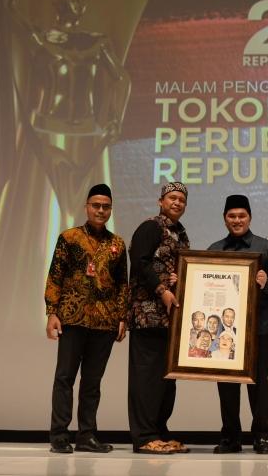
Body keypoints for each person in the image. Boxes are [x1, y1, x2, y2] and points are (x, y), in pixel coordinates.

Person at [45, 183, 128, 454]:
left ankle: (86, 435)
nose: (100, 210)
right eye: (96, 205)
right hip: (72, 317)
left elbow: (122, 285)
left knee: (92, 383)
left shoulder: (117, 244)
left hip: (104, 323)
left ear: (110, 209)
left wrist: (121, 318)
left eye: (105, 206)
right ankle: (59, 435)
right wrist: (51, 313)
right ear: (87, 207)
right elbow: (55, 275)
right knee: (65, 377)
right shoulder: (69, 238)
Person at [208, 194, 268, 455]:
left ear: (249, 217)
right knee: (226, 383)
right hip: (224, 330)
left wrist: (267, 282)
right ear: (224, 218)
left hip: (258, 328)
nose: (237, 220)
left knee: (258, 383)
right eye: (232, 216)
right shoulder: (214, 249)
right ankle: (230, 437)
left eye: (241, 216)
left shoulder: (265, 247)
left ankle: (262, 436)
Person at [127, 182, 191, 454]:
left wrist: (178, 279)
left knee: (167, 377)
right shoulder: (150, 227)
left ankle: (160, 431)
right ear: (160, 201)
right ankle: (144, 436)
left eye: (181, 200)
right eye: (172, 198)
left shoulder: (181, 234)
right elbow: (140, 261)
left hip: (172, 320)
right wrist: (162, 289)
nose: (177, 203)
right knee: (146, 378)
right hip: (148, 316)